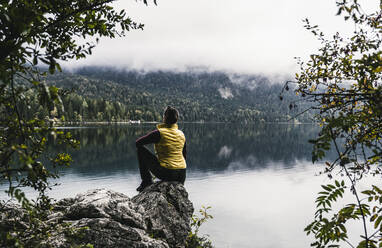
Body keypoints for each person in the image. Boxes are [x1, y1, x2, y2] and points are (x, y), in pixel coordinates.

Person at [135, 106, 187, 192]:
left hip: (167, 173)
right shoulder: (181, 134)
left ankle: (146, 181)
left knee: (140, 150)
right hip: (182, 174)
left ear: (165, 118)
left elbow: (138, 143)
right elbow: (184, 155)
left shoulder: (159, 133)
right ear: (176, 120)